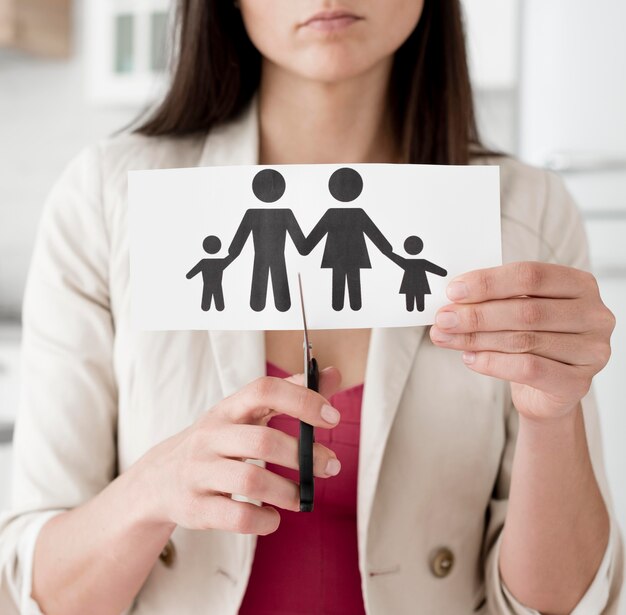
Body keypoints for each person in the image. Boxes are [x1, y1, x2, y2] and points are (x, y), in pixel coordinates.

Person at [0, 2, 623, 615]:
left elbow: (561, 608)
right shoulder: (106, 203)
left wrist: (553, 418)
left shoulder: (526, 213)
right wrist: (151, 490)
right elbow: (38, 594)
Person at [303, 167, 394, 311]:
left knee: (340, 280)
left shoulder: (333, 213)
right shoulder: (357, 213)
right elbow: (373, 232)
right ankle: (352, 305)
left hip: (337, 257)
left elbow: (316, 234)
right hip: (354, 257)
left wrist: (306, 246)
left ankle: (340, 305)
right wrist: (386, 248)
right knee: (352, 281)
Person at [228, 168, 307, 312]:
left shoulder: (252, 213)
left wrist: (232, 252)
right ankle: (279, 306)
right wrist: (306, 248)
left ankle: (260, 305)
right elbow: (301, 243)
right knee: (278, 281)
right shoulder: (285, 213)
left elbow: (238, 240)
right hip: (278, 257)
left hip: (261, 257)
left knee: (260, 284)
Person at [388, 235, 447, 312]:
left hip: (410, 285)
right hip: (420, 285)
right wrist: (443, 272)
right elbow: (437, 270)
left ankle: (413, 308)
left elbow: (395, 258)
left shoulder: (406, 262)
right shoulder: (422, 262)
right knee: (419, 302)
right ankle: (417, 308)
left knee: (411, 302)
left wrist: (389, 253)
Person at [186, 235, 232, 311]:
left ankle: (210, 308)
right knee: (219, 306)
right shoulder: (220, 262)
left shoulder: (204, 262)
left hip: (207, 285)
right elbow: (230, 258)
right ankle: (217, 308)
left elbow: (191, 274)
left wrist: (189, 276)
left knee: (206, 306)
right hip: (217, 285)